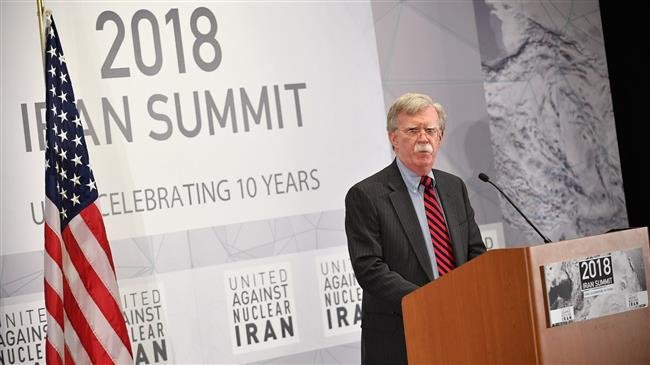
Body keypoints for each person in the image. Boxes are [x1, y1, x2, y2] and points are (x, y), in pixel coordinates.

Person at [345, 93, 486, 364]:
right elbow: (369, 268)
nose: (424, 138)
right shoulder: (366, 195)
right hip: (400, 336)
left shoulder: (454, 187)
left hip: (461, 328)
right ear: (393, 139)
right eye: (412, 130)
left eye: (430, 130)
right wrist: (429, 301)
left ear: (440, 137)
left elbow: (475, 253)